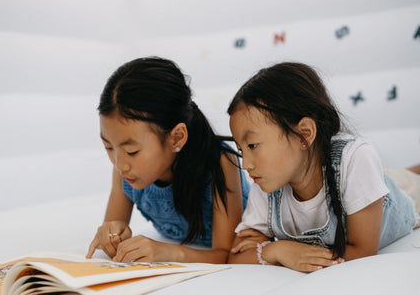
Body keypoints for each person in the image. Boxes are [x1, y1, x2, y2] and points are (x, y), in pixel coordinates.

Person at [227, 61, 419, 272]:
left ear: (305, 134)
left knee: (408, 179)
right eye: (241, 149)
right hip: (366, 186)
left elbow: (363, 253)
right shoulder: (266, 182)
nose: (246, 164)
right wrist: (278, 250)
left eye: (253, 145)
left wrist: (270, 249)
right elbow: (236, 258)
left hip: (402, 195)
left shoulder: (355, 158)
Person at [86, 57, 250, 263]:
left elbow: (226, 254)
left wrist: (169, 252)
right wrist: (111, 235)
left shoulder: (222, 164)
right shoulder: (125, 169)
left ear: (177, 137)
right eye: (108, 147)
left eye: (132, 151)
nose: (119, 164)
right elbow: (113, 229)